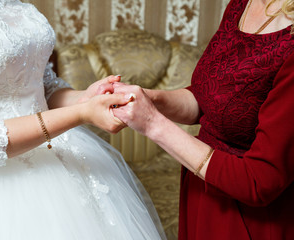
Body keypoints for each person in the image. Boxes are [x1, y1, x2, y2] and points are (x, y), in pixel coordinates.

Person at [0, 0, 166, 239]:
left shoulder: (13, 3)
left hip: (60, 158)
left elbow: (43, 89)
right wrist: (81, 113)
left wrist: (86, 99)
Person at [111, 0, 294, 239]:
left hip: (250, 217)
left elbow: (260, 181)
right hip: (203, 190)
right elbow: (208, 100)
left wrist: (153, 123)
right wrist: (148, 98)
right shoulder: (242, 4)